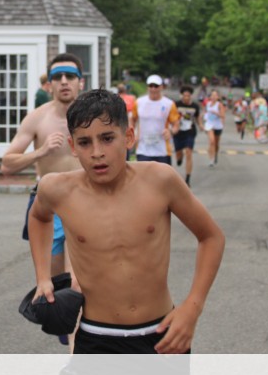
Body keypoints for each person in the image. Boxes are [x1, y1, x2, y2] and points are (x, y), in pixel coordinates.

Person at [27, 88, 225, 355]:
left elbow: (211, 236)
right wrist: (43, 278)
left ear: (129, 137)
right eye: (84, 142)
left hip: (161, 334)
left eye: (107, 138)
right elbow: (38, 217)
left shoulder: (160, 180)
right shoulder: (57, 189)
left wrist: (192, 308)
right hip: (96, 336)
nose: (97, 152)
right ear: (72, 147)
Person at [1, 53, 85, 282]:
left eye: (71, 76)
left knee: (78, 281)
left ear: (81, 82)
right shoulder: (37, 119)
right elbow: (7, 164)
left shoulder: (92, 117)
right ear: (49, 84)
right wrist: (41, 151)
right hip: (50, 202)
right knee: (57, 282)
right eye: (57, 77)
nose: (64, 81)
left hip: (85, 200)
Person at [135, 74, 179, 164]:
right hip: (143, 149)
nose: (153, 89)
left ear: (161, 87)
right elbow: (132, 119)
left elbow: (176, 124)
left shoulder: (169, 104)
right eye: (151, 86)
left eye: (156, 86)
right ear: (147, 87)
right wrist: (133, 134)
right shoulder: (139, 102)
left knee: (163, 174)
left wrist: (170, 131)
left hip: (162, 150)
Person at [173, 86, 201, 186]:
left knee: (189, 152)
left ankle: (188, 178)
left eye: (188, 96)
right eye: (184, 96)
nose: (186, 98)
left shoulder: (195, 106)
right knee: (178, 153)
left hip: (190, 131)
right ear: (182, 96)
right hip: (178, 131)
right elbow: (172, 116)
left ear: (191, 96)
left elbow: (198, 118)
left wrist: (201, 125)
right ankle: (179, 158)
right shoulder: (176, 105)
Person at [203, 89, 225, 167]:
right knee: (212, 141)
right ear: (210, 97)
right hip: (209, 125)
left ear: (218, 97)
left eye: (215, 95)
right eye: (212, 95)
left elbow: (223, 115)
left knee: (216, 143)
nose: (213, 97)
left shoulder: (219, 105)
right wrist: (204, 119)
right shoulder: (208, 104)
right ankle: (211, 159)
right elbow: (205, 113)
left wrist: (216, 113)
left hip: (218, 125)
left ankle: (215, 153)